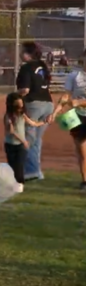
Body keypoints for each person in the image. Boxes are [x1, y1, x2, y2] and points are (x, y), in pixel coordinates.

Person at [15, 42, 54, 182]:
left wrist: (14, 96)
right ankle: (37, 171)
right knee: (36, 140)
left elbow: (25, 90)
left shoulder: (26, 67)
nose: (20, 53)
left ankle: (31, 171)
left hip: (33, 105)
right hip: (48, 104)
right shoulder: (43, 66)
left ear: (28, 54)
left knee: (29, 139)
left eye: (22, 51)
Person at [50, 50, 86, 190]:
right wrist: (55, 112)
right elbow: (66, 96)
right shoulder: (74, 76)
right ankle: (84, 182)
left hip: (79, 108)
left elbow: (77, 101)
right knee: (82, 152)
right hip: (76, 116)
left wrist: (80, 102)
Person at [4, 92, 43, 188]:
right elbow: (11, 131)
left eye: (22, 104)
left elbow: (33, 123)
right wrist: (24, 141)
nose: (21, 107)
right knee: (13, 166)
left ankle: (20, 185)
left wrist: (45, 121)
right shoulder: (8, 116)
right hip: (10, 145)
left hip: (20, 146)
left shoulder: (22, 115)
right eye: (18, 105)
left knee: (20, 165)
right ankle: (13, 184)